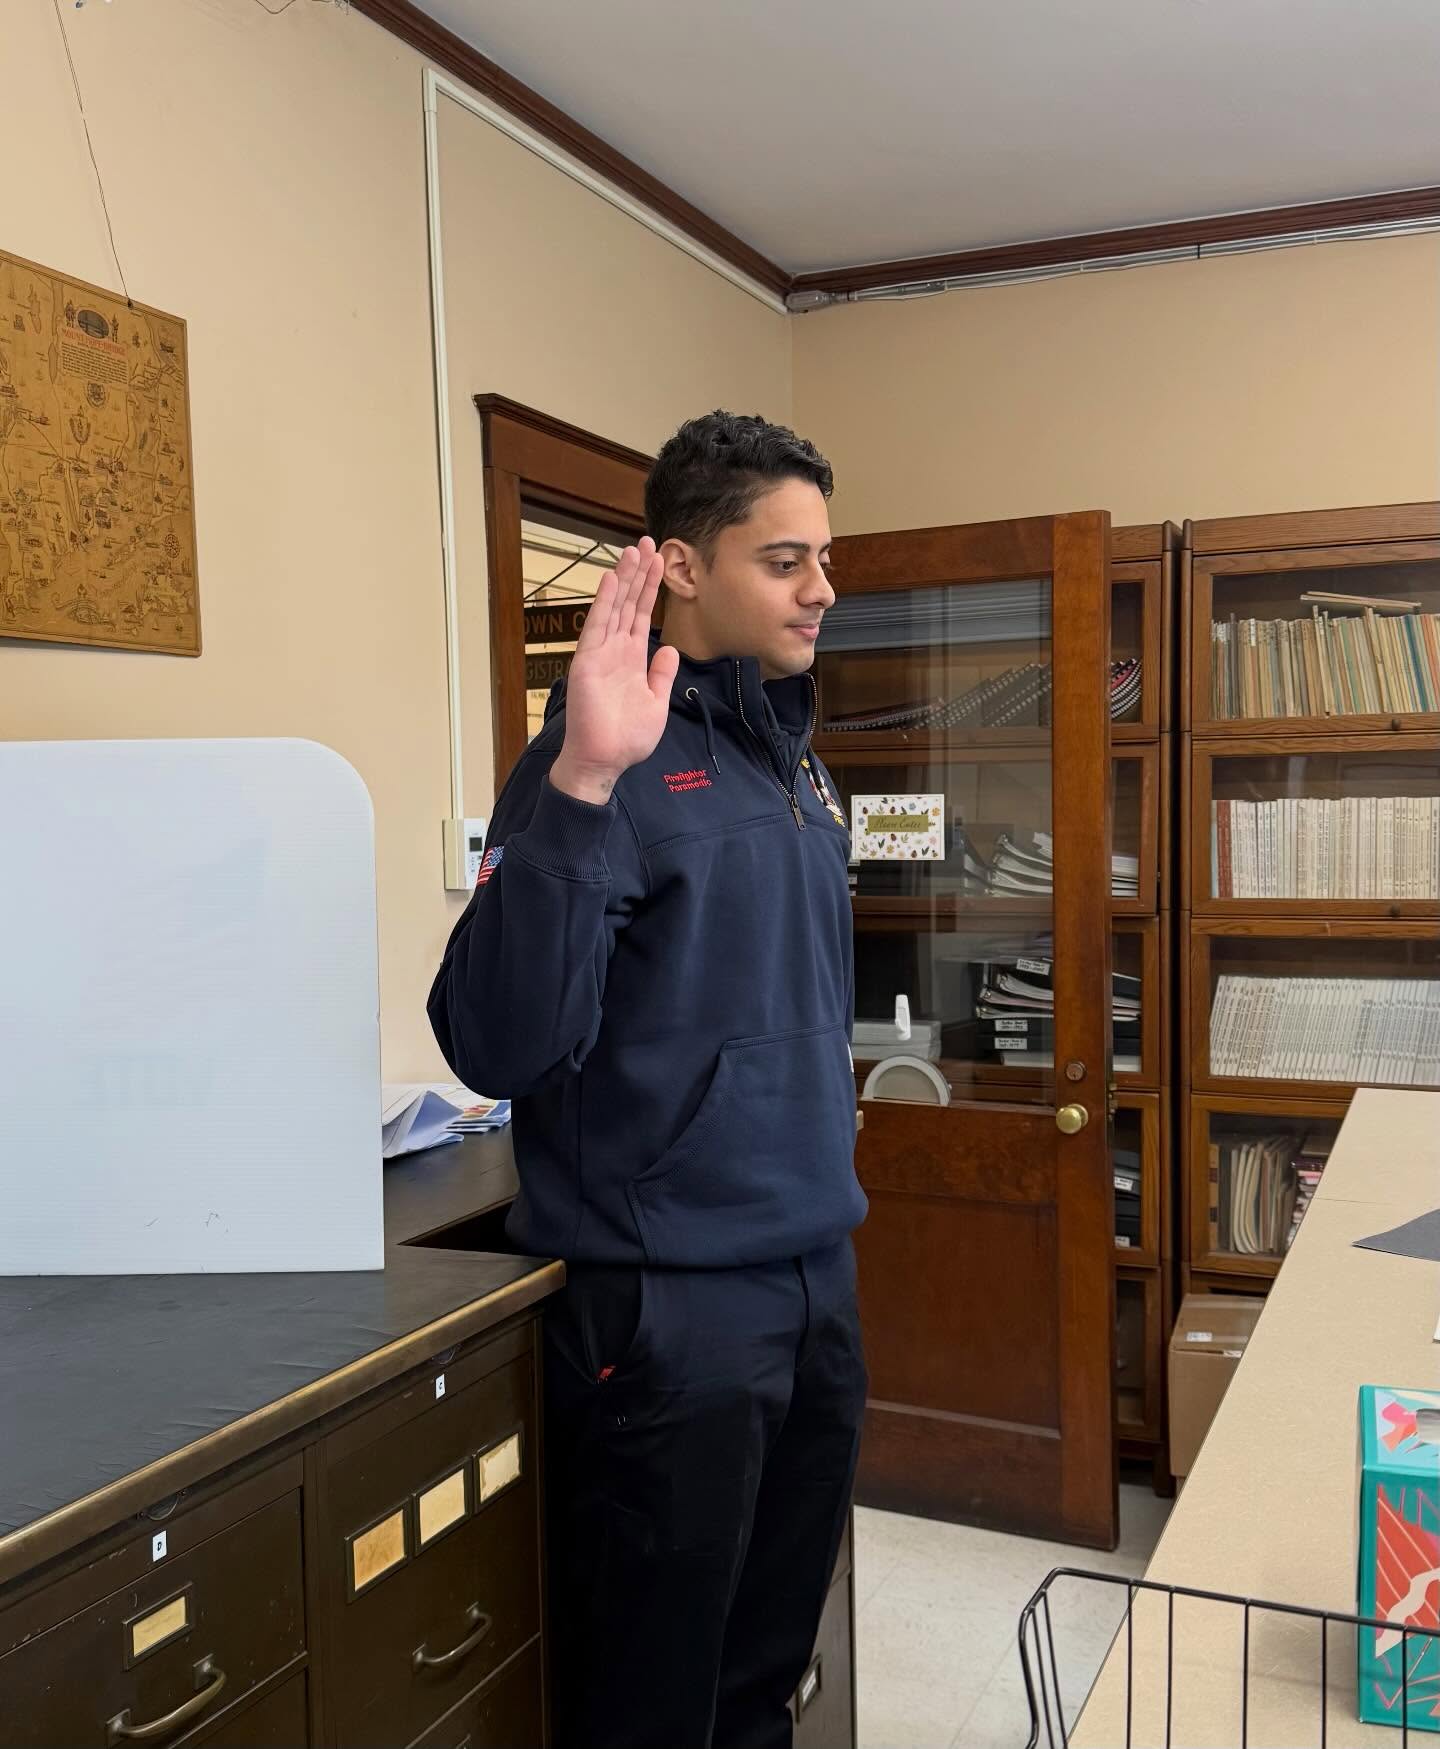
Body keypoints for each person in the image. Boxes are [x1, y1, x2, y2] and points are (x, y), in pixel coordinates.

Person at [428, 411, 867, 1749]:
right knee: (650, 1703)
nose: (821, 589)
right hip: (668, 1309)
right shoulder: (593, 767)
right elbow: (492, 1040)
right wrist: (581, 776)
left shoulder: (788, 759)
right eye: (784, 560)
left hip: (812, 1281)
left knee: (766, 1678)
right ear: (680, 564)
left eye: (824, 558)